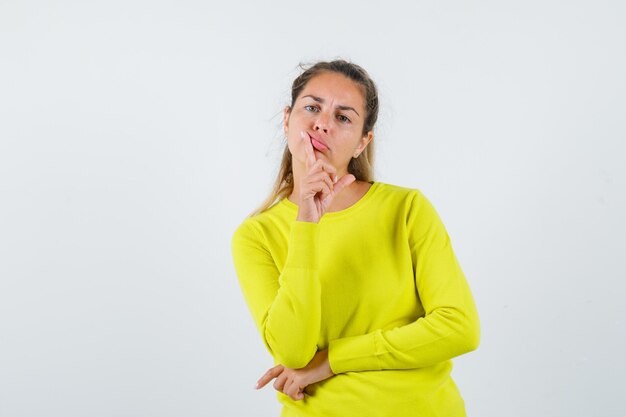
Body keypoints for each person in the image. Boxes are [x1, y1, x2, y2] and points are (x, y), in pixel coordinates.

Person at [231, 59, 480, 417]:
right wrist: (305, 224)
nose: (322, 123)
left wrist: (333, 359)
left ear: (363, 142)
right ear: (287, 119)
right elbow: (294, 352)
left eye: (343, 117)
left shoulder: (406, 209)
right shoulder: (255, 236)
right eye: (312, 107)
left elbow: (460, 328)